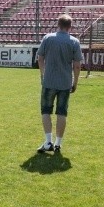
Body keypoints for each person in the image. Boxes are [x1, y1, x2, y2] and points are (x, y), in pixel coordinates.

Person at [36, 13, 83, 154]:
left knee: (46, 111)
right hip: (65, 82)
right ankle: (57, 143)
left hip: (49, 81)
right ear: (70, 26)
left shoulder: (47, 38)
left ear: (58, 24)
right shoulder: (74, 42)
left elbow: (40, 58)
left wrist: (42, 75)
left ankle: (47, 141)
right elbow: (77, 65)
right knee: (62, 113)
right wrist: (75, 82)